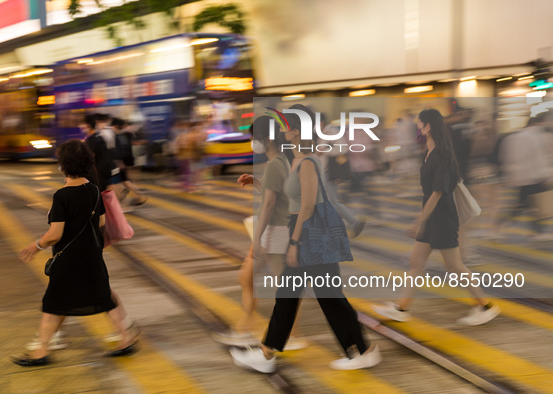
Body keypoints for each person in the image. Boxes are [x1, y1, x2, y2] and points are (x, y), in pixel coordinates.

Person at [230, 105, 380, 373]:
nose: (282, 130)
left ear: (297, 132)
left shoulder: (308, 161)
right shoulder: (297, 159)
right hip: (305, 233)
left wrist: (295, 243)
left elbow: (308, 206)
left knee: (328, 298)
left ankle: (363, 350)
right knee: (293, 298)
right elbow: (290, 197)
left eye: (286, 126)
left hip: (312, 237)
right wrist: (257, 183)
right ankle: (267, 353)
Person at [12, 140, 138, 367]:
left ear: (63, 165)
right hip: (92, 255)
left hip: (69, 259)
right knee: (103, 296)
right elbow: (100, 224)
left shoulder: (63, 196)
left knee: (54, 303)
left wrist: (36, 245)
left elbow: (55, 234)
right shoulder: (93, 190)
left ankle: (41, 351)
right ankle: (126, 338)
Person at [372, 109, 500, 326]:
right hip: (433, 216)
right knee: (416, 262)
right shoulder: (430, 151)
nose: (417, 127)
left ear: (428, 126)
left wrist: (418, 221)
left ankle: (485, 306)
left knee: (455, 266)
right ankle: (401, 308)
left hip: (442, 217)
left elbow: (438, 192)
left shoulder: (440, 154)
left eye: (419, 123)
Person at [213, 116, 306, 350]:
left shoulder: (277, 163)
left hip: (276, 232)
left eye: (255, 138)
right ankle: (248, 327)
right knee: (248, 278)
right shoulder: (280, 161)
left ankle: (287, 334)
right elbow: (274, 191)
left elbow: (269, 204)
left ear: (268, 139)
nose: (253, 142)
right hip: (274, 231)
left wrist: (257, 236)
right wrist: (257, 181)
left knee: (284, 287)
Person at [110, 117, 146, 206]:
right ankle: (140, 196)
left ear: (115, 126)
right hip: (125, 162)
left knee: (120, 182)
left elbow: (120, 151)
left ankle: (124, 203)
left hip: (120, 163)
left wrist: (119, 161)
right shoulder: (125, 135)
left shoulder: (118, 137)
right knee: (126, 181)